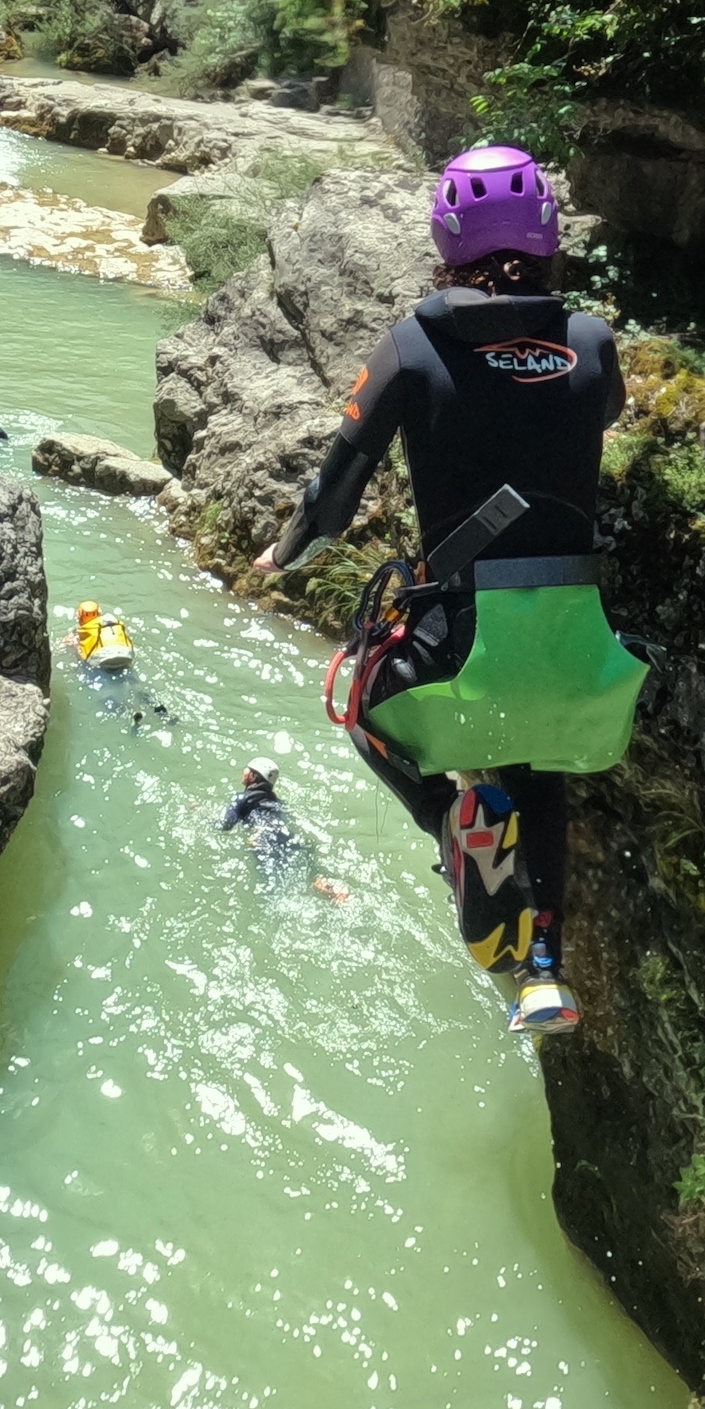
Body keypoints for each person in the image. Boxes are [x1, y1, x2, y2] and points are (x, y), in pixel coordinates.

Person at [252, 145, 641, 1035]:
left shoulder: (413, 346)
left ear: (446, 235)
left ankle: (452, 825)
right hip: (576, 650)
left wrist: (287, 555)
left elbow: (333, 496)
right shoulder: (590, 338)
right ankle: (545, 970)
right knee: (536, 758)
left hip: (460, 645)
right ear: (546, 230)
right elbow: (602, 409)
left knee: (355, 698)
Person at [63, 601, 134, 670]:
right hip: (126, 653)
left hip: (102, 657)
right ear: (99, 613)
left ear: (80, 617)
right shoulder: (117, 622)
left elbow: (66, 642)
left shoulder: (81, 630)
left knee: (76, 642)